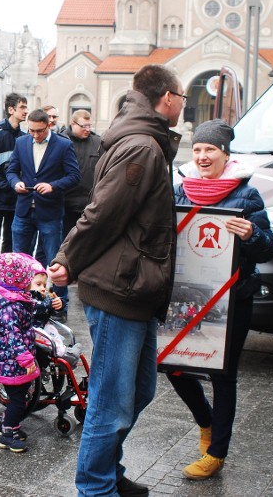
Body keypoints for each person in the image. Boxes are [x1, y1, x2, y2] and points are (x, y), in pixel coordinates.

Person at [48, 64, 184, 497]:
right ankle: (95, 486)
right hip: (119, 286)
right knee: (111, 400)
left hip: (135, 286)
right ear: (167, 98)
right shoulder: (143, 147)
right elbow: (103, 212)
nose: (183, 103)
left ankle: (107, 469)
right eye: (181, 96)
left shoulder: (145, 140)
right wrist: (68, 258)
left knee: (139, 390)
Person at [165, 120, 273, 480]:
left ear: (225, 153)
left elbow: (266, 248)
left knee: (223, 376)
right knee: (174, 365)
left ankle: (216, 453)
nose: (202, 156)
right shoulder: (181, 190)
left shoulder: (247, 195)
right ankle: (206, 421)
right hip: (188, 296)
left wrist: (253, 234)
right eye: (197, 150)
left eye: (210, 149)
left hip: (233, 298)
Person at [6, 108, 80, 316]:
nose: (35, 135)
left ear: (48, 126)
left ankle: (59, 306)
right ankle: (20, 303)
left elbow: (74, 176)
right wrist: (16, 183)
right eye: (31, 131)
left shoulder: (64, 145)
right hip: (23, 209)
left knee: (55, 261)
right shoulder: (21, 143)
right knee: (20, 260)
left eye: (39, 131)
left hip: (50, 212)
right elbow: (11, 171)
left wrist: (53, 186)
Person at [0, 253, 42, 453]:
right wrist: (27, 360)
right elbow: (13, 337)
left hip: (12, 361)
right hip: (12, 363)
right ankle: (7, 434)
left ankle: (11, 426)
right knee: (19, 401)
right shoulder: (9, 307)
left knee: (20, 398)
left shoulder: (14, 297)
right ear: (19, 280)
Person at [0, 93, 27, 253]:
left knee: (10, 240)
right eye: (22, 107)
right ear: (11, 109)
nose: (26, 111)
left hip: (15, 199)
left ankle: (6, 275)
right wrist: (9, 186)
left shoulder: (24, 137)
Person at [60, 109, 102, 241]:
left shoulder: (98, 143)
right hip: (65, 205)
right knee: (65, 243)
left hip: (89, 205)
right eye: (84, 126)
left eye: (89, 126)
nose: (87, 129)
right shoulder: (61, 141)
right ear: (73, 123)